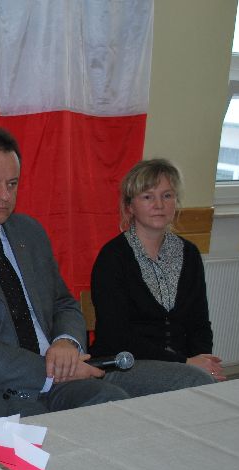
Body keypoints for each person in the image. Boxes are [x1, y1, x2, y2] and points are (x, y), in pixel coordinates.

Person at [0, 126, 213, 425]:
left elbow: (63, 303)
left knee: (113, 406)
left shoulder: (29, 232)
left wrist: (67, 342)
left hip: (59, 377)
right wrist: (49, 370)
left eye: (12, 184)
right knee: (70, 425)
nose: (4, 195)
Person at [89, 159, 222, 380]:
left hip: (182, 366)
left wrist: (203, 360)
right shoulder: (113, 257)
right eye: (148, 197)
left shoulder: (189, 253)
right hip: (124, 364)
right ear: (130, 206)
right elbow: (116, 336)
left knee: (210, 382)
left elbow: (199, 323)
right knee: (196, 381)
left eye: (167, 195)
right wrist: (187, 365)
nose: (159, 204)